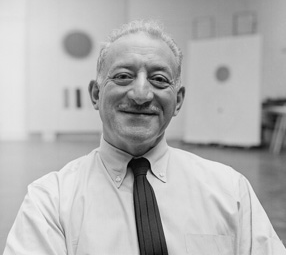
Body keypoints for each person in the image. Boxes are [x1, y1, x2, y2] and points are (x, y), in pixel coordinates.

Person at [4, 20, 286, 255]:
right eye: (124, 76)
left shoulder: (231, 192)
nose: (141, 94)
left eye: (160, 80)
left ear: (177, 101)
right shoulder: (49, 203)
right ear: (96, 94)